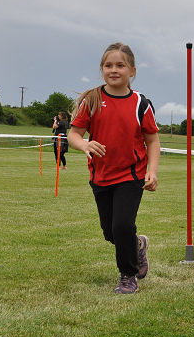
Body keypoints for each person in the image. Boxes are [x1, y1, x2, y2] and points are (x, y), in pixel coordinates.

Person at [68, 43, 160, 294]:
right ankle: (137, 246)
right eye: (108, 65)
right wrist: (84, 144)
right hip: (101, 176)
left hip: (131, 175)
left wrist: (152, 171)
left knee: (122, 226)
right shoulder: (92, 100)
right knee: (111, 233)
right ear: (102, 69)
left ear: (132, 71)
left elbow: (152, 141)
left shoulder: (141, 103)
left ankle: (128, 276)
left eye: (120, 65)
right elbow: (74, 134)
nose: (114, 70)